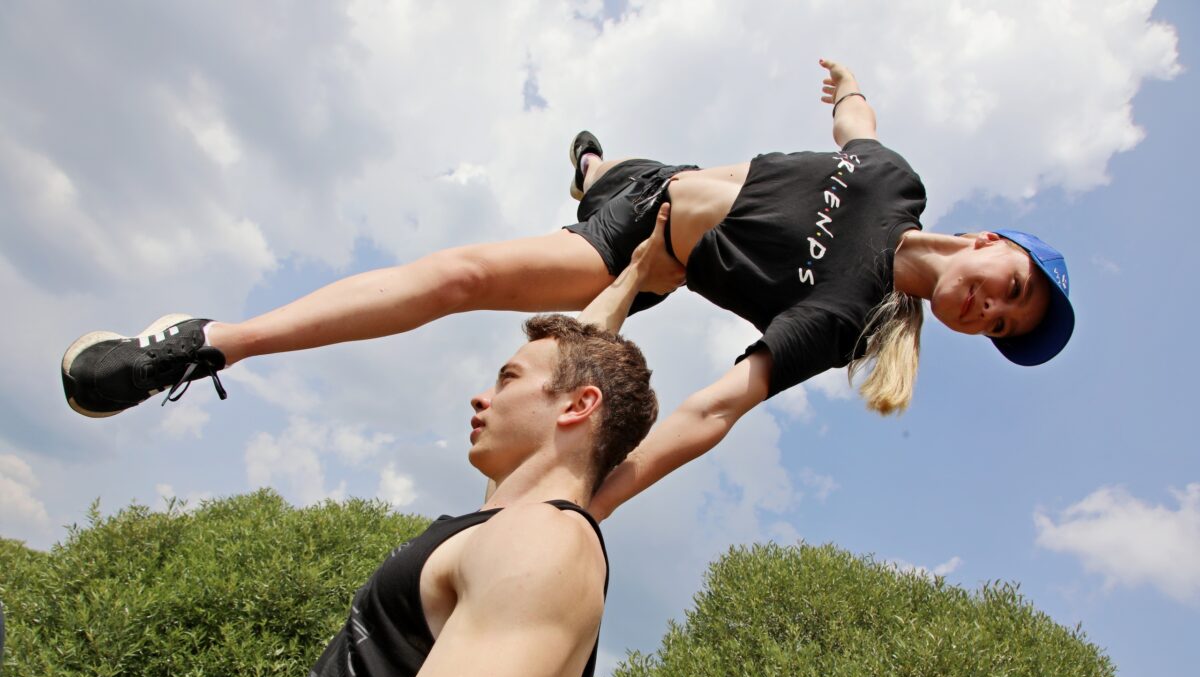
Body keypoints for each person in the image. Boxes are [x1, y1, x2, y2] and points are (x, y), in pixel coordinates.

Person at [61, 59, 1074, 520]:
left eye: (999, 326)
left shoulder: (852, 323)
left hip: (634, 254)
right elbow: (861, 130)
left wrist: (593, 502)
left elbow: (717, 407)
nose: (988, 309)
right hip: (650, 182)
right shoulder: (898, 179)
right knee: (568, 208)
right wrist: (847, 84)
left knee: (498, 294)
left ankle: (203, 342)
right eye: (1010, 286)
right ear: (990, 241)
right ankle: (588, 171)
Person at [250, 313, 656, 677]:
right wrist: (635, 269)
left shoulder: (545, 544)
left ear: (579, 404)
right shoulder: (499, 524)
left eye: (508, 379)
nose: (482, 396)